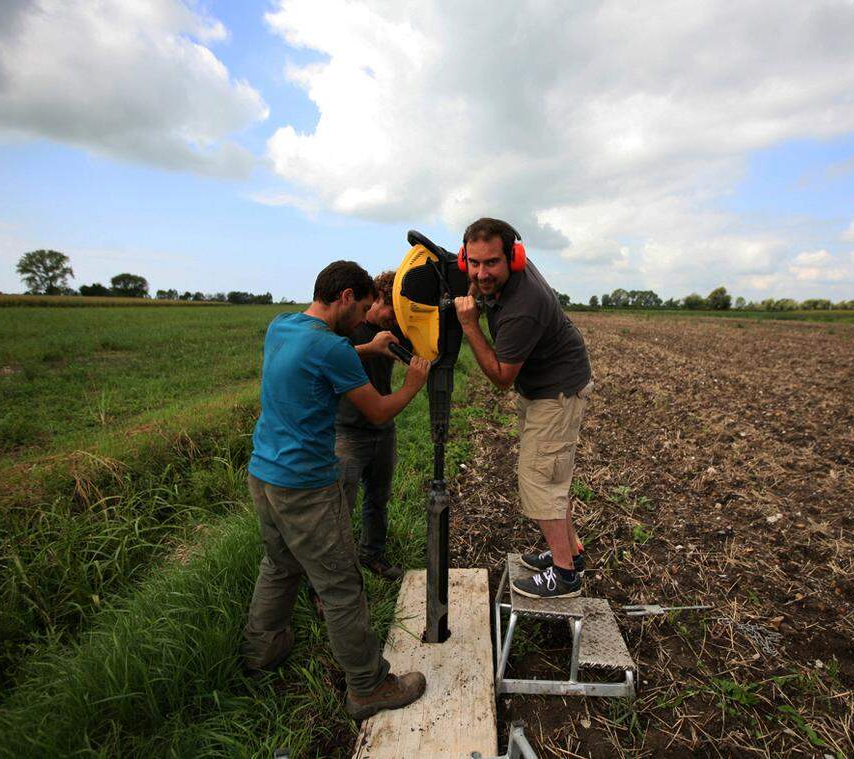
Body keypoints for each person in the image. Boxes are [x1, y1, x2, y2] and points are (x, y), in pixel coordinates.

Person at [241, 260, 431, 720]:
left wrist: (368, 346)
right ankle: (367, 686)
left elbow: (324, 359)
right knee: (343, 586)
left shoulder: (281, 326)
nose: (363, 315)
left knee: (281, 564)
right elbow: (380, 412)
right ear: (346, 296)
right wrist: (412, 383)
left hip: (263, 476)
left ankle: (260, 651)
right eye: (363, 306)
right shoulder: (334, 349)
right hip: (305, 487)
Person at [453, 218, 593, 600]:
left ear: (513, 258)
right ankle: (572, 553)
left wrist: (469, 325)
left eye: (491, 264)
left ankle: (565, 576)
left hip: (556, 391)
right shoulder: (498, 273)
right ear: (465, 256)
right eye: (474, 263)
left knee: (539, 478)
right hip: (544, 385)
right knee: (552, 476)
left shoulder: (523, 306)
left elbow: (501, 377)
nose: (482, 273)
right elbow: (477, 273)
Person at [334, 269, 410, 580]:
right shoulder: (350, 328)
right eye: (393, 308)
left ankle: (372, 555)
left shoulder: (396, 330)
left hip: (383, 429)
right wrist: (371, 347)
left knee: (378, 499)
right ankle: (333, 576)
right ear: (378, 297)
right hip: (348, 431)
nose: (395, 318)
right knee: (340, 509)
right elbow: (328, 356)